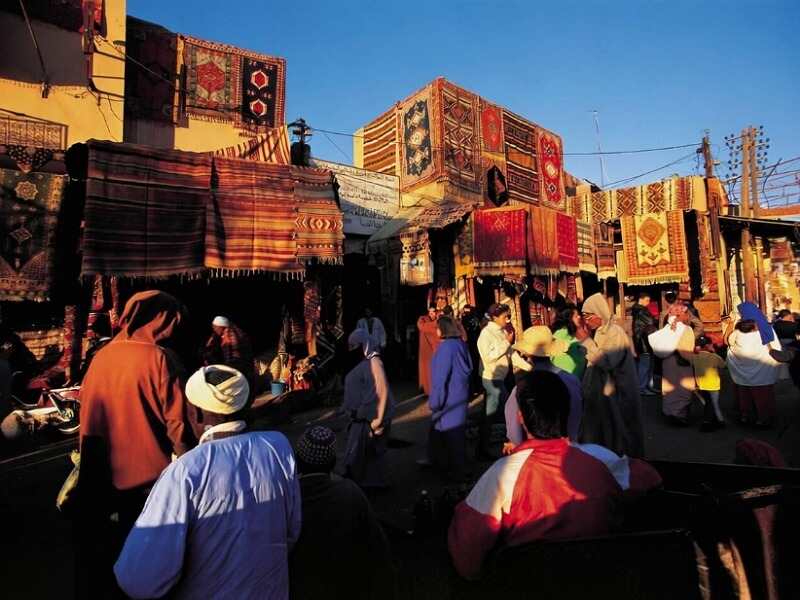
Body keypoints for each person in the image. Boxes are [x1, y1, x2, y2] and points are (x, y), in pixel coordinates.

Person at [448, 370, 662, 580]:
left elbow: (468, 560)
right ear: (567, 412)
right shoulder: (602, 459)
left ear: (521, 417)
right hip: (598, 578)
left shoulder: (501, 475)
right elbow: (652, 480)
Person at [115, 365, 301, 600]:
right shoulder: (277, 447)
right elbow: (291, 532)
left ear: (198, 413)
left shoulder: (185, 472)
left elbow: (139, 579)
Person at [77, 290, 197, 598]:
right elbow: (178, 423)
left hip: (97, 474)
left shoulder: (101, 356)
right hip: (146, 479)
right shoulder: (159, 358)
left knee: (103, 549)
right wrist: (192, 466)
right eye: (172, 319)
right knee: (145, 555)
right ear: (163, 319)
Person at [290, 426, 395, 600]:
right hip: (346, 582)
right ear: (332, 463)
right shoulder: (350, 492)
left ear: (297, 460)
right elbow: (377, 544)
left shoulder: (289, 499)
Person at [579, 293, 645, 458]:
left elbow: (607, 362)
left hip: (618, 393)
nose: (586, 321)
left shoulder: (614, 332)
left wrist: (586, 342)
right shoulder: (600, 332)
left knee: (621, 434)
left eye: (588, 316)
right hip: (607, 395)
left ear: (598, 314)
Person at [504, 326, 583, 445]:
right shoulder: (572, 380)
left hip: (538, 450)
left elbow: (514, 433)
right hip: (572, 447)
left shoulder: (523, 387)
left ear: (527, 353)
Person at [421, 316, 472, 480]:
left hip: (447, 400)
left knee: (450, 436)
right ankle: (454, 467)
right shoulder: (461, 345)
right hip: (460, 396)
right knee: (454, 436)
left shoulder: (445, 349)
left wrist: (435, 401)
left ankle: (455, 472)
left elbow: (440, 379)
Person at [342, 328, 394, 488]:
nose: (351, 350)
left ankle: (372, 485)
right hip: (361, 419)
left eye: (354, 346)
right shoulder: (365, 363)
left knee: (368, 453)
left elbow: (380, 392)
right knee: (364, 455)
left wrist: (373, 420)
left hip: (369, 419)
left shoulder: (374, 363)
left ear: (363, 345)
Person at [724, 302, 782, 428]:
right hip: (764, 373)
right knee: (764, 396)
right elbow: (776, 348)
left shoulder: (738, 331)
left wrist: (730, 324)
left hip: (742, 374)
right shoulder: (767, 329)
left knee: (745, 396)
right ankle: (764, 419)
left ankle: (746, 417)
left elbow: (728, 343)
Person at [476, 303, 513, 457]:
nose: (508, 320)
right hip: (492, 379)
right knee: (509, 411)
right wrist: (506, 343)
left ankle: (482, 449)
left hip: (499, 378)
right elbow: (488, 357)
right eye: (506, 317)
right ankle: (511, 443)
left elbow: (509, 354)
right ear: (495, 317)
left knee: (489, 415)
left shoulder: (501, 331)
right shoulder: (486, 334)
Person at [659, 304, 698, 426]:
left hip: (668, 360)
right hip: (682, 362)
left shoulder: (665, 328)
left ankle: (670, 413)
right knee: (684, 389)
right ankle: (680, 415)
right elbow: (687, 348)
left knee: (670, 388)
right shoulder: (687, 329)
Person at [203, 315, 254, 387]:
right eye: (213, 326)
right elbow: (209, 349)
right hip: (235, 364)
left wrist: (226, 368)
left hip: (242, 366)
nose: (213, 329)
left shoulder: (232, 336)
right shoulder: (221, 333)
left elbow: (236, 357)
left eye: (215, 327)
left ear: (221, 327)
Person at [689, 336, 726, 432]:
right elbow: (723, 365)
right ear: (708, 345)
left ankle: (714, 419)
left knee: (707, 402)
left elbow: (692, 364)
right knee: (714, 403)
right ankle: (717, 421)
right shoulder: (714, 356)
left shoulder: (694, 357)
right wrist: (713, 352)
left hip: (701, 383)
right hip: (713, 384)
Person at [631, 292, 658, 395]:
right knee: (644, 366)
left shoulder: (638, 310)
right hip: (644, 342)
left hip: (644, 341)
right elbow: (651, 321)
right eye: (646, 300)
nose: (648, 303)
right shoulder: (641, 310)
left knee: (647, 365)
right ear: (640, 299)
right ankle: (641, 388)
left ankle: (646, 386)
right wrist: (656, 319)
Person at [549, 307, 587, 379]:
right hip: (567, 376)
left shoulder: (572, 331)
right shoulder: (562, 331)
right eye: (576, 316)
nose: (579, 317)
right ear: (569, 318)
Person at [417, 304, 441, 395]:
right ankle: (426, 390)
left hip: (436, 348)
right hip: (426, 349)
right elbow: (421, 327)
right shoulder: (422, 319)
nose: (432, 314)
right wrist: (435, 324)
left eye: (434, 312)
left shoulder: (438, 320)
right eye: (430, 312)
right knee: (426, 370)